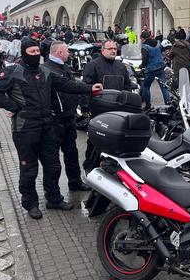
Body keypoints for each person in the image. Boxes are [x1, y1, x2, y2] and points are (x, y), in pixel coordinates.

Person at [0, 40, 102, 219]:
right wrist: (14, 106)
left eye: (37, 51)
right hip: (25, 128)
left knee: (53, 165)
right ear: (24, 53)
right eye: (31, 51)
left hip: (47, 126)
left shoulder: (45, 71)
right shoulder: (12, 71)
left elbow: (67, 85)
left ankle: (54, 198)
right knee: (29, 168)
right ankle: (30, 202)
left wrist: (89, 88)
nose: (35, 54)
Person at [42, 41, 91, 192]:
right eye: (67, 51)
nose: (69, 53)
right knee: (52, 160)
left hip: (69, 117)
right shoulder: (47, 69)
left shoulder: (64, 66)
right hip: (55, 120)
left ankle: (75, 182)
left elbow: (73, 86)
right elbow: (69, 86)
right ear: (59, 53)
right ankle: (53, 194)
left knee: (72, 152)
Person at [82, 39, 131, 172]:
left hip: (118, 112)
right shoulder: (93, 65)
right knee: (95, 141)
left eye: (115, 49)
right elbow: (86, 86)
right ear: (103, 50)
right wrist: (85, 108)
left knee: (115, 140)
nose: (113, 51)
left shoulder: (121, 66)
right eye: (110, 49)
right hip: (99, 111)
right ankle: (90, 167)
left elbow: (127, 86)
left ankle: (111, 166)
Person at [139, 30, 170, 110]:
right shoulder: (158, 42)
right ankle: (168, 104)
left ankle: (148, 106)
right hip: (160, 67)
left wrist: (141, 66)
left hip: (150, 70)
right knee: (164, 87)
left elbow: (145, 60)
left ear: (142, 38)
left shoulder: (144, 46)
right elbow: (163, 51)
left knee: (146, 87)